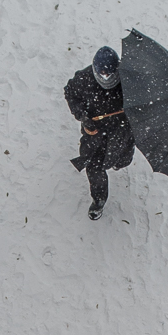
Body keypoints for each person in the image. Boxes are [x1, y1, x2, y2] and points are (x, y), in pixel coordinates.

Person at [64, 46, 135, 220]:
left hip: (121, 132)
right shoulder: (83, 78)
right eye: (101, 73)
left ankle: (119, 162)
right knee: (94, 168)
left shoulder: (129, 81)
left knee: (123, 160)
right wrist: (82, 116)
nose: (105, 78)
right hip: (95, 134)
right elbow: (70, 93)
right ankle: (99, 199)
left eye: (109, 74)